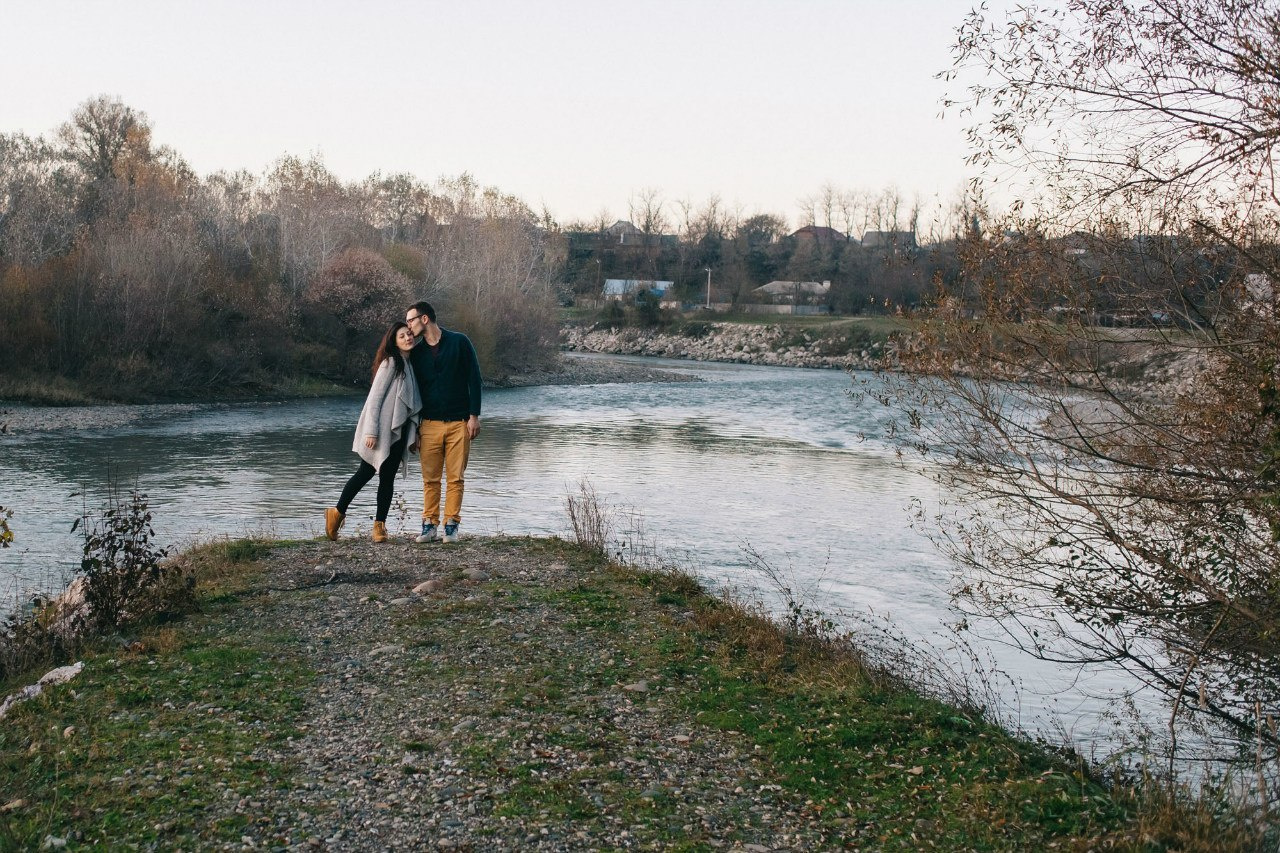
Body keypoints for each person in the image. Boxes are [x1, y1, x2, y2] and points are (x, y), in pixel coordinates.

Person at [324, 322, 422, 543]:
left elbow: (413, 404)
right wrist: (371, 432)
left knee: (387, 479)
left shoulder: (410, 365)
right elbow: (375, 399)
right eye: (402, 336)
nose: (408, 338)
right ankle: (336, 513)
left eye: (409, 334)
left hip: (400, 431)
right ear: (393, 341)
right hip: (381, 431)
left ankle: (379, 527)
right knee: (364, 473)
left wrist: (413, 435)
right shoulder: (391, 363)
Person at [404, 301, 482, 543]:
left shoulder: (460, 342)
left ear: (424, 319)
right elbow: (412, 392)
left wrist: (473, 416)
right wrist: (414, 429)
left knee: (456, 477)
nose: (408, 326)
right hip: (428, 425)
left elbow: (474, 379)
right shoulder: (415, 354)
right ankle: (429, 525)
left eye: (411, 320)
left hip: (460, 422)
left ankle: (451, 525)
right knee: (430, 478)